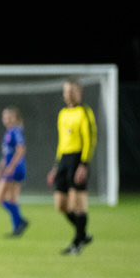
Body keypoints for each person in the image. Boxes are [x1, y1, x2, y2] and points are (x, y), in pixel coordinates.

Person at [47, 79, 96, 255]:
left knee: (77, 204)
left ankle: (77, 243)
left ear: (79, 93)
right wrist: (56, 166)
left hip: (78, 159)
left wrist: (84, 164)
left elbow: (90, 139)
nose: (68, 94)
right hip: (64, 160)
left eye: (72, 91)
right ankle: (83, 234)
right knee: (61, 204)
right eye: (66, 91)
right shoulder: (62, 114)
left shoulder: (85, 112)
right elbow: (62, 142)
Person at [0, 106, 29, 237]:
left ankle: (20, 220)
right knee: (12, 199)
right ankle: (17, 228)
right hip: (12, 167)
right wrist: (0, 169)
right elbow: (6, 155)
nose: (6, 119)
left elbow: (21, 150)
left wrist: (11, 167)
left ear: (16, 118)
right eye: (5, 117)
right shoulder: (9, 132)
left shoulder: (16, 132)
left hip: (15, 168)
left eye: (9, 117)